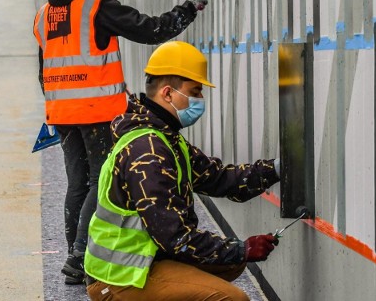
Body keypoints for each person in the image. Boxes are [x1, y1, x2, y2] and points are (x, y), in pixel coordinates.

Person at [32, 0, 212, 285]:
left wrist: (63, 103)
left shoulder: (43, 15)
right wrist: (190, 8)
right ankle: (79, 257)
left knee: (77, 185)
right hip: (98, 113)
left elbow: (44, 72)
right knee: (100, 182)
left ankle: (75, 256)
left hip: (63, 116)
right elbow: (152, 30)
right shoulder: (96, 5)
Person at [84, 41, 281, 301]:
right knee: (233, 298)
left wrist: (277, 169)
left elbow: (217, 178)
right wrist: (241, 248)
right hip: (119, 278)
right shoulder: (148, 152)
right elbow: (175, 237)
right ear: (167, 93)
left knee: (230, 263)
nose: (200, 100)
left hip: (147, 260)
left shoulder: (164, 138)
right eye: (195, 91)